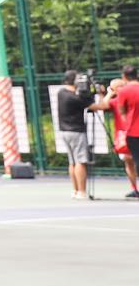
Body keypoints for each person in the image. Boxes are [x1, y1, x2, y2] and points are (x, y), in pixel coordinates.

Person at [90, 66, 139, 198]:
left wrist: (109, 93)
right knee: (129, 161)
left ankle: (135, 188)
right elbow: (104, 105)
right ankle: (135, 188)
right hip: (125, 135)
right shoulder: (115, 100)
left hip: (129, 134)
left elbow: (102, 105)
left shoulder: (121, 97)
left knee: (132, 160)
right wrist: (107, 93)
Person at [56, 69, 97, 200]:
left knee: (72, 161)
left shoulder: (61, 93)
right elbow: (98, 106)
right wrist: (103, 94)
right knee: (81, 161)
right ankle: (82, 191)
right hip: (76, 131)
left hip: (64, 131)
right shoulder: (75, 98)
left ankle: (75, 190)